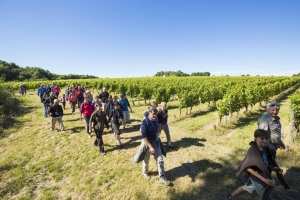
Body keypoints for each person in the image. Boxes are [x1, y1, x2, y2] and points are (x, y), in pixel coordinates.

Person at [227, 129, 289, 200]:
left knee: (247, 187)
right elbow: (248, 168)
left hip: (261, 175)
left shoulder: (265, 148)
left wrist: (274, 169)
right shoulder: (253, 151)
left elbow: (264, 163)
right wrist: (266, 181)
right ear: (256, 138)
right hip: (257, 177)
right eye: (262, 138)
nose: (265, 141)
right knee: (267, 196)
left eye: (267, 139)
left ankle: (231, 196)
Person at [133, 107, 170, 185]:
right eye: (153, 114)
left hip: (156, 141)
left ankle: (162, 177)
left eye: (156, 114)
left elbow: (157, 124)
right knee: (146, 159)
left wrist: (161, 126)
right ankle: (145, 172)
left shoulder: (156, 119)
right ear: (149, 113)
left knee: (160, 159)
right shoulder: (144, 122)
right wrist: (150, 147)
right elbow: (144, 137)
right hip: (147, 143)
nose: (155, 116)